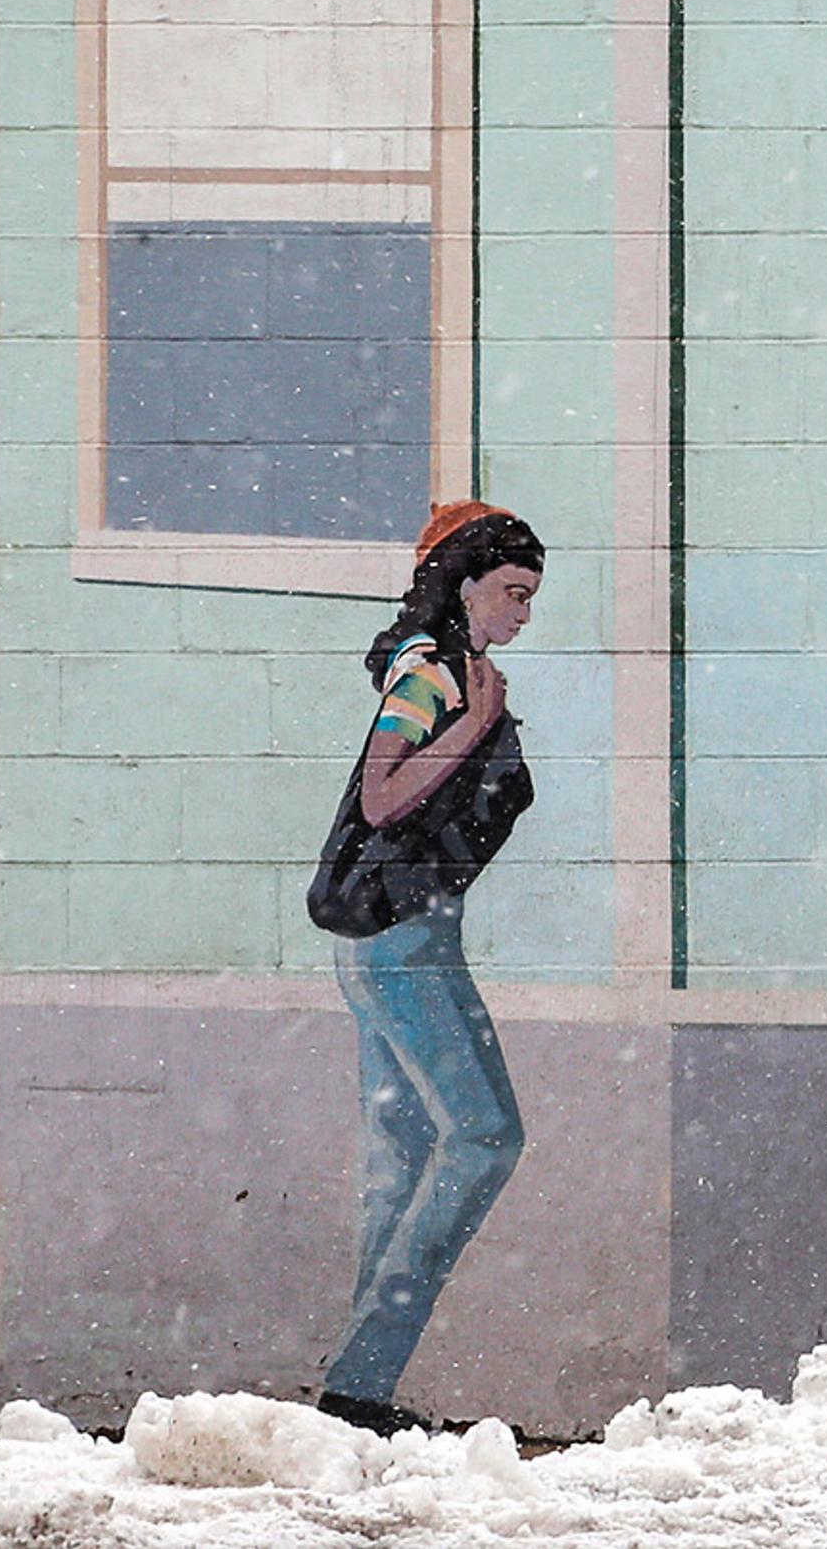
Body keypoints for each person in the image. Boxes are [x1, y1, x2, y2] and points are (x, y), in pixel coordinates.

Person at [305, 500, 544, 1435]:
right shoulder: (430, 673)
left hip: (391, 942)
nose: (523, 614)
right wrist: (472, 728)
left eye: (531, 598)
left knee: (404, 1158)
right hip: (402, 943)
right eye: (512, 593)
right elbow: (380, 790)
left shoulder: (453, 669)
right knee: (485, 1138)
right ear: (466, 582)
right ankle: (360, 1381)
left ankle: (355, 1397)